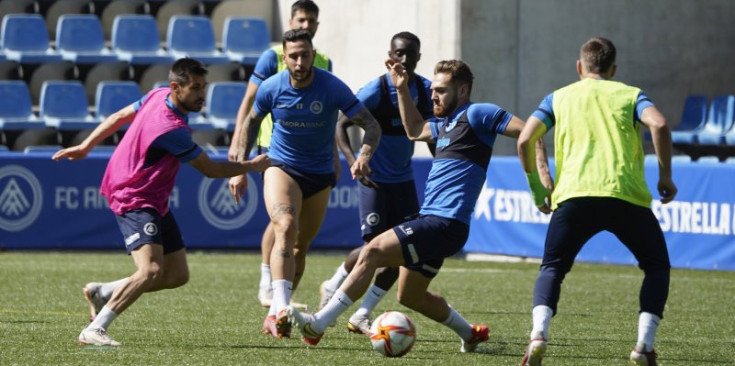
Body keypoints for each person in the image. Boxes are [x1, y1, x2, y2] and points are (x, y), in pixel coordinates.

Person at [287, 59, 551, 352]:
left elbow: (530, 131)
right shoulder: (445, 124)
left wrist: (540, 183)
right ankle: (470, 334)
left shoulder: (478, 113)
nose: (433, 95)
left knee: (372, 251)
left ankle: (318, 324)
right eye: (433, 89)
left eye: (441, 90)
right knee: (410, 296)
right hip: (436, 222)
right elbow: (413, 130)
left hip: (444, 222)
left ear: (462, 90)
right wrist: (401, 89)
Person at [52, 58, 271, 346]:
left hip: (153, 197)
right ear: (176, 87)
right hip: (133, 194)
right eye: (195, 88)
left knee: (177, 274)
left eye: (204, 87)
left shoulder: (158, 95)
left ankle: (103, 292)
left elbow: (118, 116)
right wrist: (252, 166)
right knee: (151, 270)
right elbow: (211, 170)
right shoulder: (170, 129)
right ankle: (95, 328)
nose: (201, 94)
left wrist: (85, 147)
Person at [517, 37, 676, 366]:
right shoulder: (630, 94)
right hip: (624, 195)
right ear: (613, 70)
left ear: (580, 66)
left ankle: (538, 336)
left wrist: (538, 188)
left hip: (574, 197)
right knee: (657, 267)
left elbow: (524, 139)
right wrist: (665, 176)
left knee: (552, 269)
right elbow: (659, 124)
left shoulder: (558, 97)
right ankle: (644, 346)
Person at [228, 29, 381, 339]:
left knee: (300, 248)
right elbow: (250, 123)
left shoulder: (332, 87)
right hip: (281, 166)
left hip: (320, 173)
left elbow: (371, 125)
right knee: (285, 225)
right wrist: (239, 168)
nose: (300, 61)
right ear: (284, 58)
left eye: (305, 54)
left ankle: (275, 315)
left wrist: (363, 155)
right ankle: (282, 306)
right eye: (294, 56)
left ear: (313, 54)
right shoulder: (271, 87)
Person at [317, 31, 433, 335]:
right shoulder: (376, 90)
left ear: (419, 57)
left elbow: (435, 135)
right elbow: (342, 124)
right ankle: (333, 284)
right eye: (399, 53)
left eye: (411, 54)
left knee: (402, 251)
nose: (405, 60)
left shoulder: (425, 90)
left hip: (404, 181)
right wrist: (353, 159)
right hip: (374, 182)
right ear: (390, 55)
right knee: (374, 248)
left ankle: (362, 314)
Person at [228, 0, 333, 308]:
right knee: (283, 222)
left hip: (313, 156)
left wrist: (334, 156)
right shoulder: (272, 56)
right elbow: (249, 103)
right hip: (271, 148)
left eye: (311, 21)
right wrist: (238, 154)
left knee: (289, 224)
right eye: (301, 20)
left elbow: (328, 113)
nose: (306, 26)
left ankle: (279, 295)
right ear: (290, 20)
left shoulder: (324, 61)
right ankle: (268, 286)